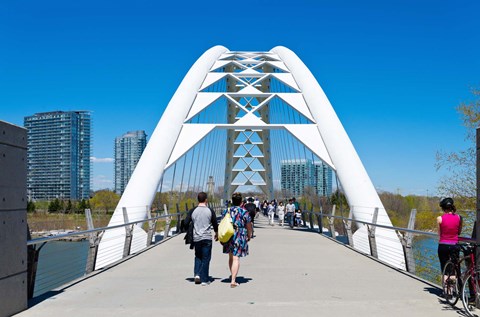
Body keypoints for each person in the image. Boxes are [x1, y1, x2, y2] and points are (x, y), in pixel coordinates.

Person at [184, 192, 218, 286]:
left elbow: (186, 223)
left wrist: (190, 228)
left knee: (198, 256)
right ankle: (204, 279)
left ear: (198, 200)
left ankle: (197, 275)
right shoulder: (210, 210)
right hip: (207, 237)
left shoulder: (192, 211)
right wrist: (217, 233)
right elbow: (215, 223)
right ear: (206, 200)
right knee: (206, 258)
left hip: (196, 238)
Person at [221, 192, 253, 288]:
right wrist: (249, 235)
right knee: (236, 258)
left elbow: (222, 223)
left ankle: (232, 276)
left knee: (231, 257)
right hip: (239, 235)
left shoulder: (226, 211)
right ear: (241, 202)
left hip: (229, 235)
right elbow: (248, 225)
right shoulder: (244, 212)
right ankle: (233, 280)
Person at [437, 197, 462, 282]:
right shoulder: (459, 217)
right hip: (454, 245)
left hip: (443, 245)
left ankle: (447, 292)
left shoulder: (440, 218)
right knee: (453, 268)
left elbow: (439, 234)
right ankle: (453, 289)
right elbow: (459, 232)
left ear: (443, 208)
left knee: (444, 267)